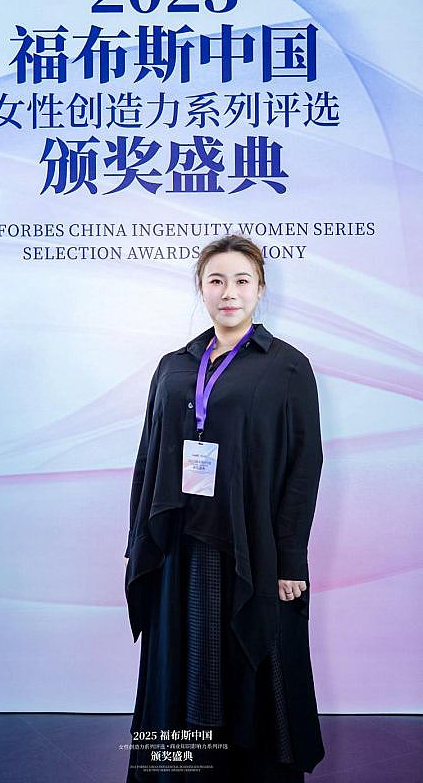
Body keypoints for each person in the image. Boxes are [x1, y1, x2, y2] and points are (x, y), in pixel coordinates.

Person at [124, 234, 325, 782]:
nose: (228, 292)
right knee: (182, 666)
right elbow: (147, 456)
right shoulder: (174, 366)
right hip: (177, 546)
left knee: (248, 665)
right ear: (201, 288)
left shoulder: (286, 367)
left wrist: (290, 559)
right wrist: (138, 541)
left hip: (249, 547)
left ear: (260, 289)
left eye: (241, 281)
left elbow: (304, 467)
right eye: (216, 280)